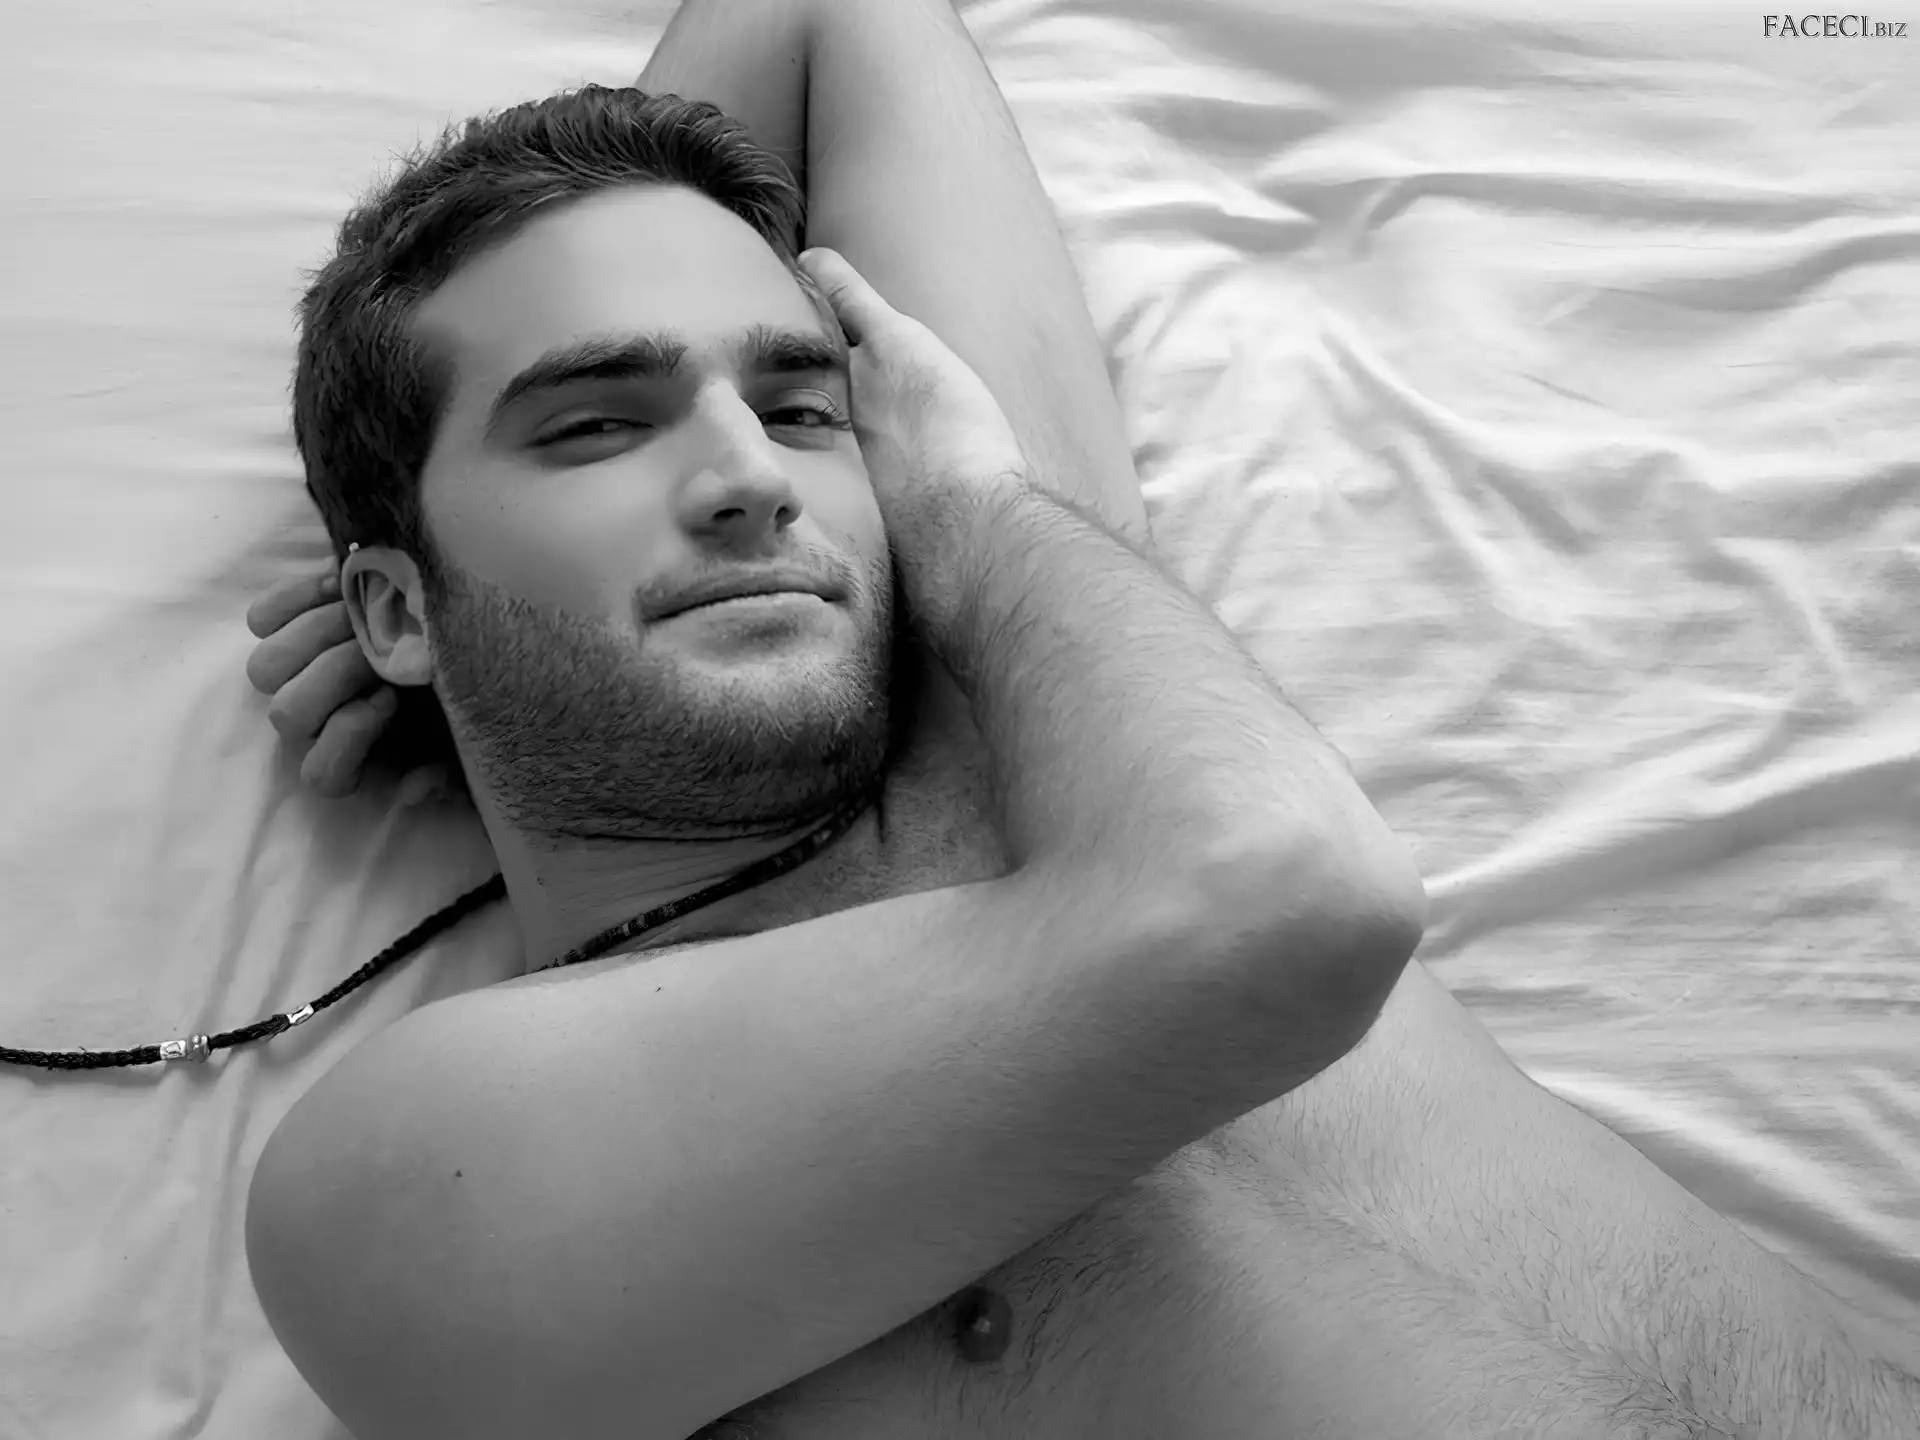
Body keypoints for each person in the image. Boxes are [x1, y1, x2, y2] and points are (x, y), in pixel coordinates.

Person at [242, 2, 1920, 1437]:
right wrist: (965, 510)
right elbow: (1294, 904)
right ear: (388, 611)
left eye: (804, 402)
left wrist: (485, 574)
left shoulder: (1041, 673)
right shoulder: (411, 1170)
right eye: (595, 427)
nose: (753, 476)